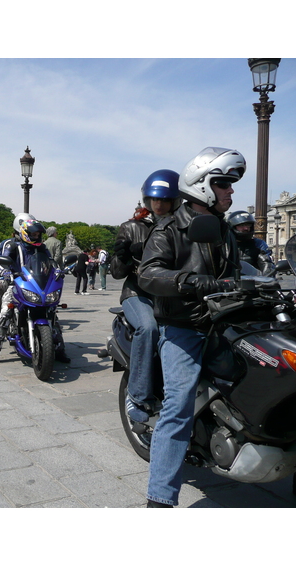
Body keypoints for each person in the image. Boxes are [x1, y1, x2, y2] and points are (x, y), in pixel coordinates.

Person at [137, 146, 245, 507]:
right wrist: (190, 282)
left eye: (231, 185)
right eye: (224, 184)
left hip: (222, 323)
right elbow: (149, 274)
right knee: (178, 404)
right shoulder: (169, 229)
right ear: (202, 185)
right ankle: (160, 500)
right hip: (184, 326)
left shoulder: (224, 230)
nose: (231, 191)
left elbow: (236, 275)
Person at [111, 169, 182, 425]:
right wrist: (122, 254)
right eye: (155, 200)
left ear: (176, 200)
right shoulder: (131, 227)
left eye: (165, 200)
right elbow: (117, 274)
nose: (159, 205)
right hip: (138, 292)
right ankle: (138, 395)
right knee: (149, 328)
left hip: (170, 294)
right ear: (147, 200)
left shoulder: (184, 227)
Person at [0, 215, 70, 366]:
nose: (36, 237)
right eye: (33, 234)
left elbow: (51, 263)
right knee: (5, 313)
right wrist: (4, 272)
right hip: (17, 283)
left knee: (53, 316)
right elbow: (1, 262)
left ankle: (59, 349)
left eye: (38, 234)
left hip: (36, 285)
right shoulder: (13, 246)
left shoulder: (42, 248)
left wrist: (58, 271)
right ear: (24, 233)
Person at [0, 213, 35, 323]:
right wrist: (6, 272)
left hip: (30, 277)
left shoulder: (36, 244)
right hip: (12, 276)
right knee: (1, 285)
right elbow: (3, 259)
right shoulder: (9, 243)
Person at [227, 210, 275, 275]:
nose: (246, 228)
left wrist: (268, 276)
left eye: (248, 225)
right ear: (232, 226)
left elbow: (266, 262)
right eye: (242, 225)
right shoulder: (225, 244)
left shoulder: (258, 244)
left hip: (252, 282)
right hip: (228, 281)